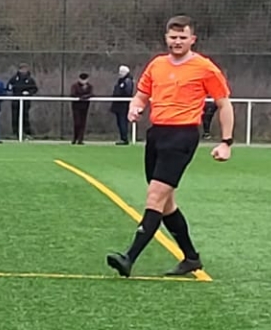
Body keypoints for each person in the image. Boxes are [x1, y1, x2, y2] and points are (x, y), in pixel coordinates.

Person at [106, 15, 233, 279]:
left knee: (155, 197)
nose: (177, 42)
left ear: (192, 39)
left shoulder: (205, 68)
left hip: (183, 135)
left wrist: (226, 142)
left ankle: (129, 257)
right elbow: (141, 95)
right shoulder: (157, 65)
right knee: (165, 204)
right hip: (157, 135)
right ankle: (191, 258)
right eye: (173, 37)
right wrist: (135, 107)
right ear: (166, 38)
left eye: (182, 37)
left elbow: (224, 104)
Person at [8, 63, 39, 138]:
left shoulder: (30, 79)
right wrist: (10, 88)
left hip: (25, 102)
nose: (23, 70)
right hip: (15, 102)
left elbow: (34, 89)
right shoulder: (14, 78)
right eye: (22, 69)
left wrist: (28, 93)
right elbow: (9, 86)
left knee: (25, 117)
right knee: (15, 117)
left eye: (25, 69)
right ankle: (15, 133)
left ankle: (26, 133)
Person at [110, 65, 135, 145]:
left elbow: (127, 92)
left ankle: (124, 139)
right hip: (119, 105)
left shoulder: (127, 81)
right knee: (120, 122)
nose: (120, 73)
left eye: (121, 72)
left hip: (123, 105)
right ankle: (122, 138)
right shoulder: (121, 81)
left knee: (122, 122)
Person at [70, 72, 95, 144]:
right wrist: (81, 97)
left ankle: (80, 139)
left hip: (85, 107)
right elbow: (73, 94)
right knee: (77, 123)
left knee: (83, 123)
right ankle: (75, 138)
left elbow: (92, 94)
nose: (83, 81)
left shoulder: (89, 86)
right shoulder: (75, 86)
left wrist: (85, 97)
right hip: (76, 107)